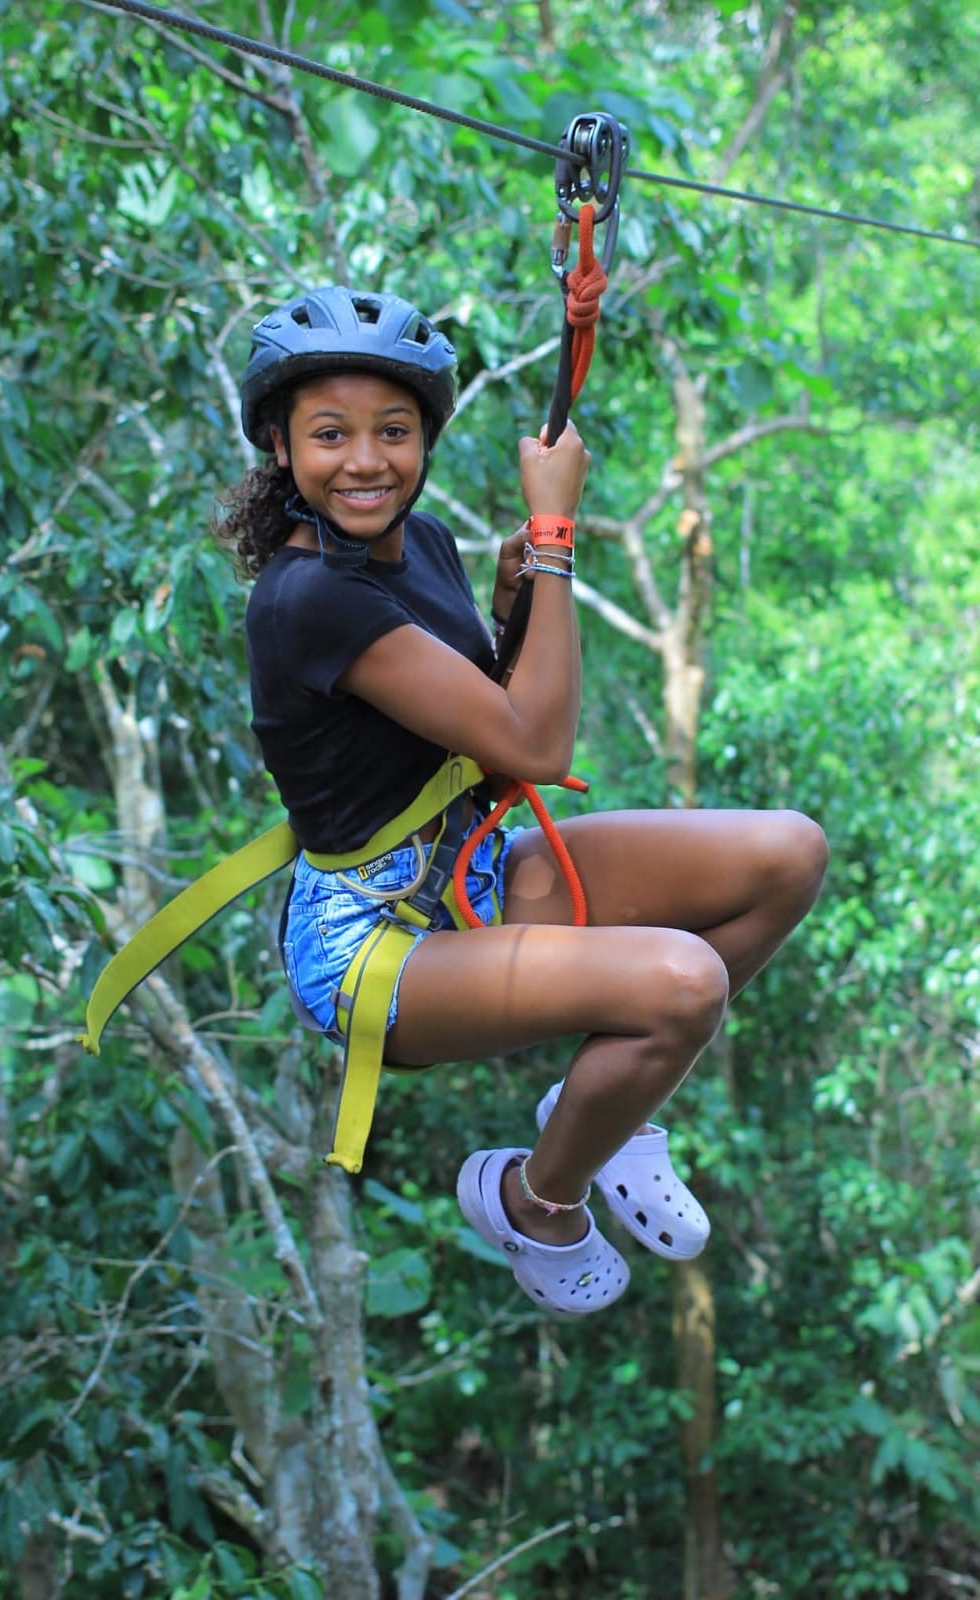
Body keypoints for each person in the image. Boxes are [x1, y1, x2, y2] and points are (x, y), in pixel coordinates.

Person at [217, 284, 828, 1318]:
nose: (365, 460)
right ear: (280, 446)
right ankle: (533, 1200)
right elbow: (539, 744)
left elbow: (489, 738)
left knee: (786, 854)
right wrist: (552, 530)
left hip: (475, 872)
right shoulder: (305, 596)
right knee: (681, 984)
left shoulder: (419, 545)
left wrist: (510, 604)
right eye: (331, 434)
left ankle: (602, 1106)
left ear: (425, 440)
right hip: (378, 949)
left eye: (393, 432)